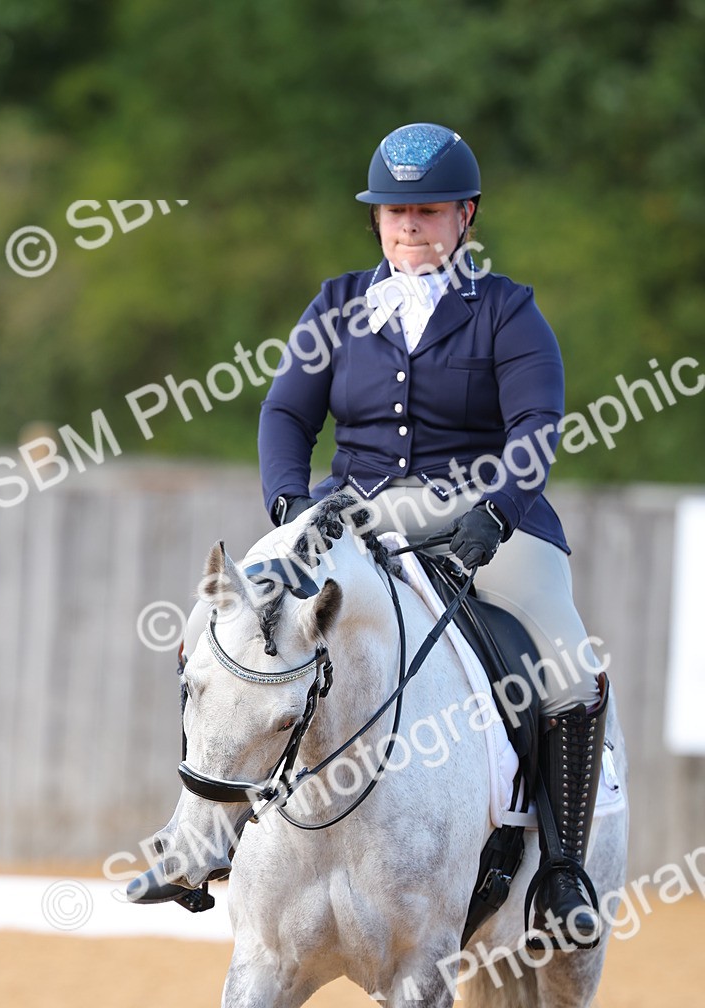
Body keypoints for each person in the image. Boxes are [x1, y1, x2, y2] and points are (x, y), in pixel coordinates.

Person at [257, 121, 610, 949]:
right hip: (354, 509)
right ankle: (208, 833)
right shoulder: (337, 304)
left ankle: (562, 872)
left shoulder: (507, 310)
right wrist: (288, 507)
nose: (409, 224)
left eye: (427, 210)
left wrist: (499, 513)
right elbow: (286, 413)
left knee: (568, 667)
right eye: (395, 211)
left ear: (466, 215)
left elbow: (536, 426)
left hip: (480, 512)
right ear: (377, 219)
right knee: (239, 621)